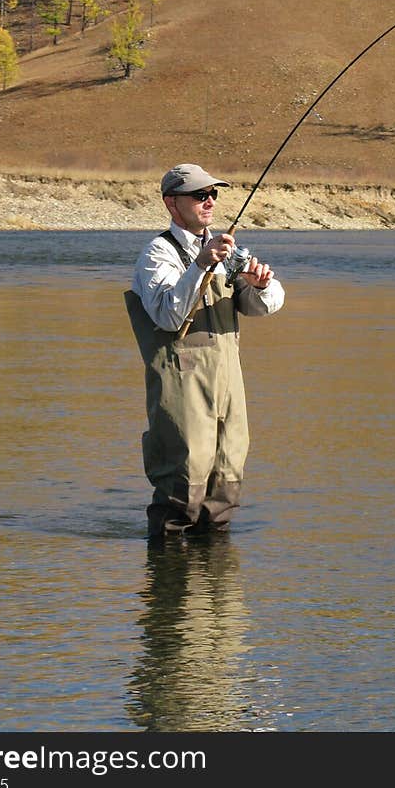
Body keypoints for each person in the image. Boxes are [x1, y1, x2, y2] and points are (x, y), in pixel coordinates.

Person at [125, 163, 285, 539]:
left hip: (229, 386)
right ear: (171, 203)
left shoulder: (228, 251)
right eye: (199, 195)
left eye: (212, 194)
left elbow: (268, 305)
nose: (209, 201)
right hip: (181, 387)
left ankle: (220, 588)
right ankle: (168, 586)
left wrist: (259, 285)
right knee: (181, 487)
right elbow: (167, 316)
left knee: (225, 488)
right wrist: (201, 264)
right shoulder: (157, 254)